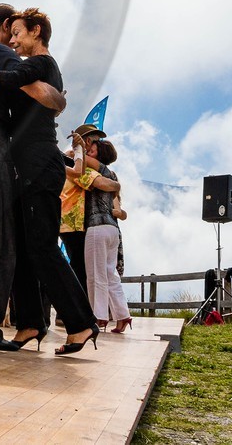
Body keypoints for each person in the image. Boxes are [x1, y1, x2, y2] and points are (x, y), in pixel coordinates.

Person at [0, 8, 98, 356]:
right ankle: (30, 322)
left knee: (43, 246)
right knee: (21, 247)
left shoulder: (42, 65)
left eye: (19, 33)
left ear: (36, 32)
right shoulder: (33, 67)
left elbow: (10, 79)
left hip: (40, 164)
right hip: (24, 167)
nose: (14, 40)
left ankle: (81, 324)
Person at [77, 140, 129, 332]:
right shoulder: (112, 175)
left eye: (94, 147)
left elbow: (77, 158)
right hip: (112, 229)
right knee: (110, 274)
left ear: (100, 153)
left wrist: (79, 148)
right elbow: (119, 209)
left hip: (96, 227)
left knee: (95, 275)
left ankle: (99, 317)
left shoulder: (95, 171)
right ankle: (123, 315)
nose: (90, 148)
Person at [59, 123, 108, 293]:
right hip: (73, 222)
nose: (99, 144)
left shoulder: (70, 159)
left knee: (78, 264)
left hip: (69, 220)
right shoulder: (75, 162)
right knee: (79, 266)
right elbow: (99, 182)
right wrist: (115, 185)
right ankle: (75, 312)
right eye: (97, 141)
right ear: (87, 141)